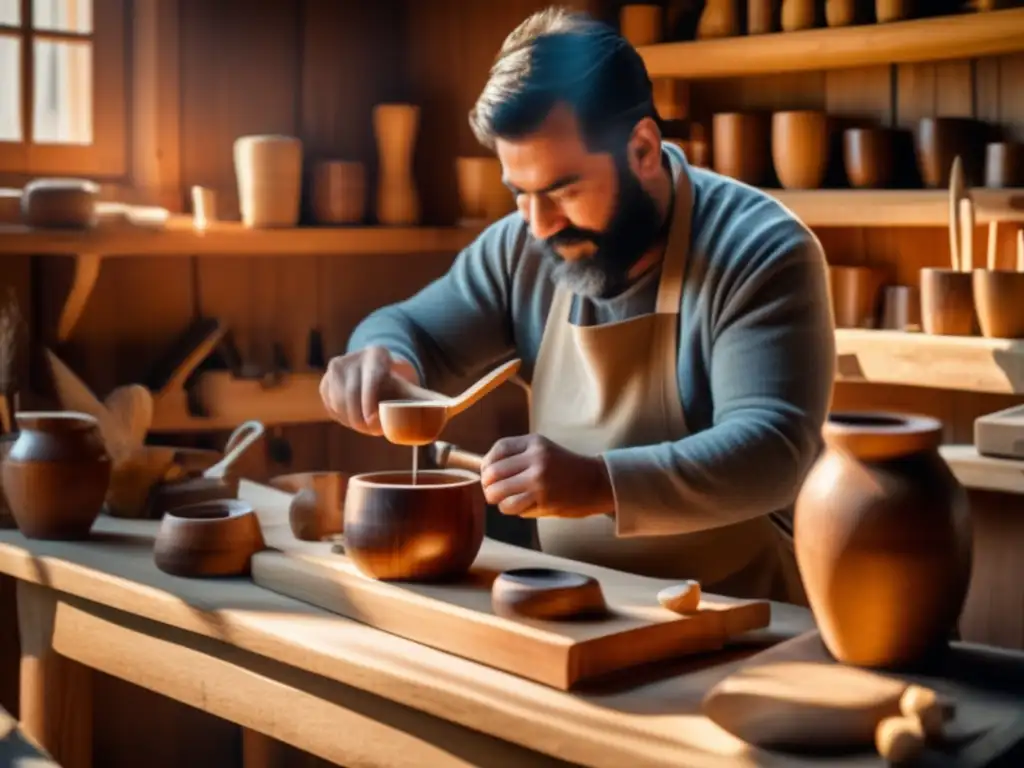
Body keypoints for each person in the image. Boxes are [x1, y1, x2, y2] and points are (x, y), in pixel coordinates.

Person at [320, 7, 836, 603]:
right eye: (520, 193)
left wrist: (597, 482)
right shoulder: (523, 246)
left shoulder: (759, 249)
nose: (540, 225)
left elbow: (772, 451)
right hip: (582, 607)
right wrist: (381, 357)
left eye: (564, 190)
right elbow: (413, 329)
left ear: (642, 148)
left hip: (749, 618)